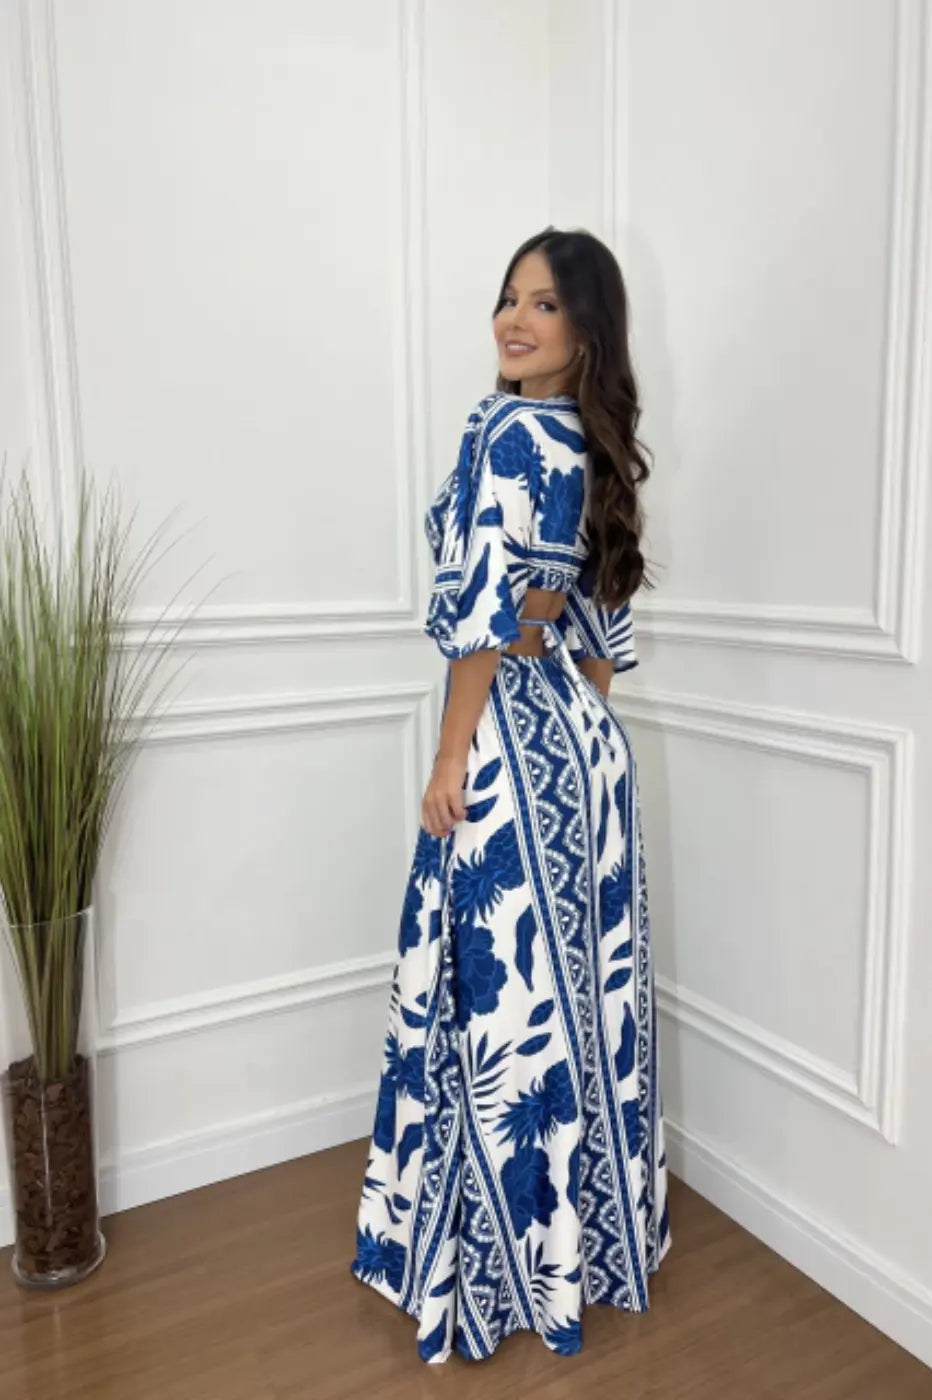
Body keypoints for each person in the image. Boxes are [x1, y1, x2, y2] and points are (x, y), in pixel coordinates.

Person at [349, 227, 672, 1364]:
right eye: (507, 298)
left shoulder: (502, 431)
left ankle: (491, 1271)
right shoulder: (589, 443)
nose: (514, 319)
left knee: (490, 1002)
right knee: (570, 994)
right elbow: (596, 633)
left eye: (544, 303)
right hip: (582, 746)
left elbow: (483, 615)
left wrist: (453, 759)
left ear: (587, 328)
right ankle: (578, 1253)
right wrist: (573, 735)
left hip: (500, 736)